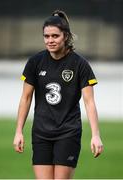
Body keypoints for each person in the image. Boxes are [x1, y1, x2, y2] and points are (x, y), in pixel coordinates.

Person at [13, 10, 103, 179]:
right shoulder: (35, 62)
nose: (50, 40)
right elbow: (25, 98)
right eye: (46, 36)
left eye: (55, 36)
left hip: (68, 132)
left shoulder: (80, 64)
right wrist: (19, 131)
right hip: (40, 133)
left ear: (66, 36)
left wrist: (95, 135)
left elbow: (89, 102)